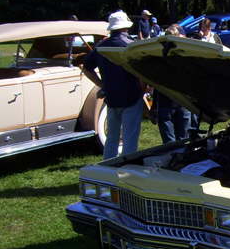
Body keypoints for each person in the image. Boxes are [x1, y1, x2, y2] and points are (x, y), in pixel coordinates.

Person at [82, 10, 144, 159]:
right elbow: (141, 72)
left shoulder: (101, 47)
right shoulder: (131, 46)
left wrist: (102, 84)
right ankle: (128, 170)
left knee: (112, 138)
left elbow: (86, 69)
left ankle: (107, 168)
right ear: (125, 27)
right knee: (129, 138)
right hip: (131, 97)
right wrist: (143, 90)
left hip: (111, 97)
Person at [151, 24, 194, 143]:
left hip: (172, 105)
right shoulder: (187, 57)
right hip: (180, 105)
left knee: (170, 145)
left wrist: (154, 107)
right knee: (182, 143)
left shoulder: (158, 58)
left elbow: (155, 84)